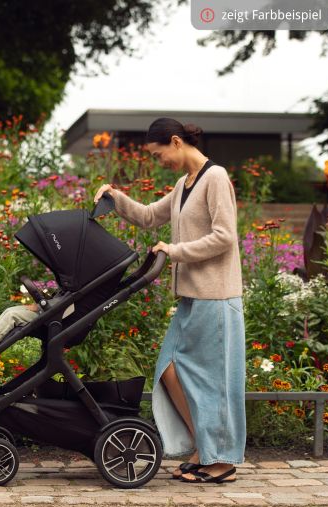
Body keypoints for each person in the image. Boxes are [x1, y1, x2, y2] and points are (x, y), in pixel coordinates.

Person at [93, 118, 246, 484]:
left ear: (176, 142)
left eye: (158, 153)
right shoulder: (183, 186)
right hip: (192, 298)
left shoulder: (215, 178)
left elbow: (224, 236)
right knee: (169, 370)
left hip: (216, 296)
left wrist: (174, 250)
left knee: (215, 381)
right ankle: (204, 447)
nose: (157, 160)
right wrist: (115, 197)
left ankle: (221, 460)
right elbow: (148, 217)